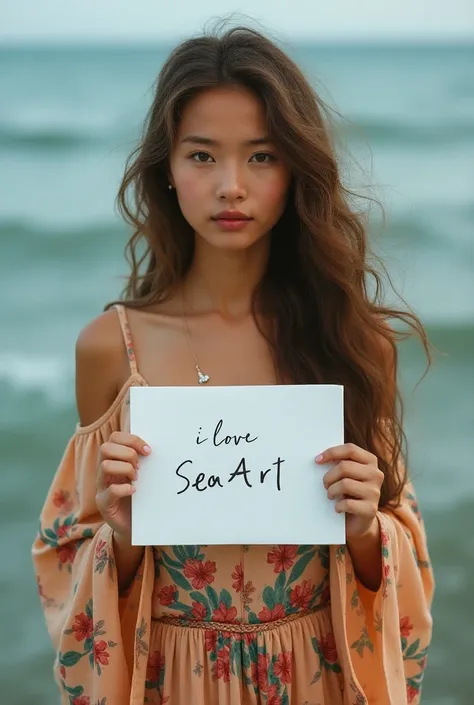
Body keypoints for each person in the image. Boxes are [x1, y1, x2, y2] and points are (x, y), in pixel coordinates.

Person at [32, 24, 434, 705]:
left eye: (262, 157)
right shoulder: (110, 349)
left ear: (295, 168)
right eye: (201, 156)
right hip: (174, 679)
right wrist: (122, 534)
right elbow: (67, 567)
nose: (230, 186)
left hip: (318, 671)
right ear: (166, 167)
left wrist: (368, 527)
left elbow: (402, 569)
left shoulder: (353, 342)